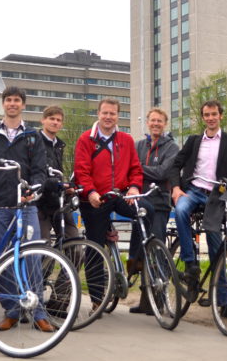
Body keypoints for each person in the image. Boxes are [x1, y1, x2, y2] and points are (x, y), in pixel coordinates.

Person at [0, 86, 51, 332]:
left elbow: (39, 171)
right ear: (3, 104)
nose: (12, 104)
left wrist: (32, 190)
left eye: (17, 100)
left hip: (26, 207)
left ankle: (38, 312)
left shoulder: (33, 137)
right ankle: (11, 311)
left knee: (32, 257)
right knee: (1, 258)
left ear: (23, 105)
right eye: (9, 100)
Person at [73, 98, 152, 310]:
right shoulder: (86, 140)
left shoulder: (125, 140)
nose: (109, 117)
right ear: (98, 114)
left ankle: (134, 258)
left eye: (113, 113)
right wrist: (90, 192)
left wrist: (134, 187)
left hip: (119, 195)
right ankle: (98, 298)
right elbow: (81, 171)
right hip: (95, 199)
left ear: (118, 116)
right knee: (96, 246)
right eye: (105, 113)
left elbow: (136, 169)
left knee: (146, 211)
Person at [169, 100, 227, 319]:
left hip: (216, 197)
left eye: (214, 114)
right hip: (193, 191)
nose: (210, 118)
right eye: (206, 115)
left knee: (216, 248)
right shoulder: (193, 141)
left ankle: (223, 302)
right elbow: (176, 165)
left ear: (220, 116)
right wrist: (175, 188)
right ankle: (190, 263)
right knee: (181, 211)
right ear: (202, 118)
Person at [128, 108, 179, 314]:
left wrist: (138, 169)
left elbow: (162, 172)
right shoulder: (139, 145)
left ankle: (157, 300)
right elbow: (130, 169)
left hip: (158, 205)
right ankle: (144, 299)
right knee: (139, 250)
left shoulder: (172, 148)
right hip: (139, 203)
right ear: (147, 123)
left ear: (165, 124)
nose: (156, 123)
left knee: (155, 249)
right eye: (153, 120)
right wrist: (141, 170)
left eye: (160, 121)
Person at [36, 106, 79, 242]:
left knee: (74, 243)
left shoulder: (59, 146)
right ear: (43, 120)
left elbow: (57, 173)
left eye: (58, 120)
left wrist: (67, 187)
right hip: (40, 202)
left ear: (61, 124)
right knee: (42, 246)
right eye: (51, 118)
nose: (55, 122)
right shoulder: (35, 142)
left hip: (59, 201)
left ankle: (70, 263)